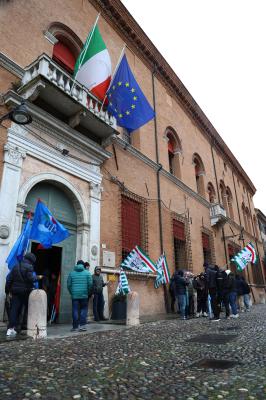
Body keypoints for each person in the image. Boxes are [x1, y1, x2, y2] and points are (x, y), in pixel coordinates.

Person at [5, 253, 39, 337]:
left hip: (15, 291)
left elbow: (9, 280)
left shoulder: (16, 266)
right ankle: (28, 327)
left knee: (14, 310)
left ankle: (11, 329)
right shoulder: (30, 267)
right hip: (25, 291)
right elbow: (31, 279)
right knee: (27, 309)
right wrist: (38, 278)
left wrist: (7, 291)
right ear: (31, 260)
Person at [67, 260, 92, 332]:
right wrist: (87, 292)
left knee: (75, 310)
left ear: (77, 264)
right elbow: (90, 285)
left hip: (75, 295)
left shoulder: (71, 273)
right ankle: (82, 326)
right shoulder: (87, 273)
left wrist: (72, 292)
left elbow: (68, 285)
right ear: (83, 265)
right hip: (84, 295)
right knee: (84, 309)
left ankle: (75, 327)